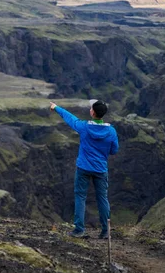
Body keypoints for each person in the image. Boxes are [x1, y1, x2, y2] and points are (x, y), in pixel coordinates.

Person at [50, 100, 119, 239]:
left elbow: (71, 119)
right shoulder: (111, 131)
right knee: (102, 199)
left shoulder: (84, 127)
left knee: (80, 197)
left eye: (91, 108)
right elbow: (114, 150)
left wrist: (56, 107)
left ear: (93, 112)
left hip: (83, 168)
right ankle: (106, 231)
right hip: (100, 169)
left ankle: (79, 230)